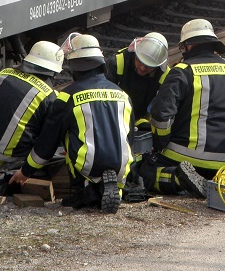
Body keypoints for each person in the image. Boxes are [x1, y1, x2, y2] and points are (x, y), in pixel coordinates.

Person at [9, 33, 134, 214]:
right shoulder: (123, 94)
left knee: (67, 133)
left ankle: (85, 189)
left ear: (74, 67)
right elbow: (131, 138)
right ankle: (116, 187)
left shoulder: (67, 96)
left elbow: (48, 142)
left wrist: (25, 172)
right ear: (101, 64)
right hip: (121, 167)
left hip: (86, 167)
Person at [139, 19, 225, 198]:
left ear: (189, 45)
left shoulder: (182, 71)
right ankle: (203, 180)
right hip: (224, 161)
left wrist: (161, 145)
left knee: (143, 172)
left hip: (185, 157)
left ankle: (179, 179)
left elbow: (161, 116)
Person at [0, 41, 64, 192]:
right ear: (54, 71)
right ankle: (8, 178)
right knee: (50, 147)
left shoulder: (3, 74)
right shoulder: (49, 96)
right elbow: (47, 137)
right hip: (9, 156)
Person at [105, 32, 170, 123]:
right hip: (114, 117)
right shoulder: (117, 63)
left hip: (143, 120)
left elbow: (162, 107)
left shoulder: (164, 75)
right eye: (140, 61)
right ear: (135, 53)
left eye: (149, 66)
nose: (143, 68)